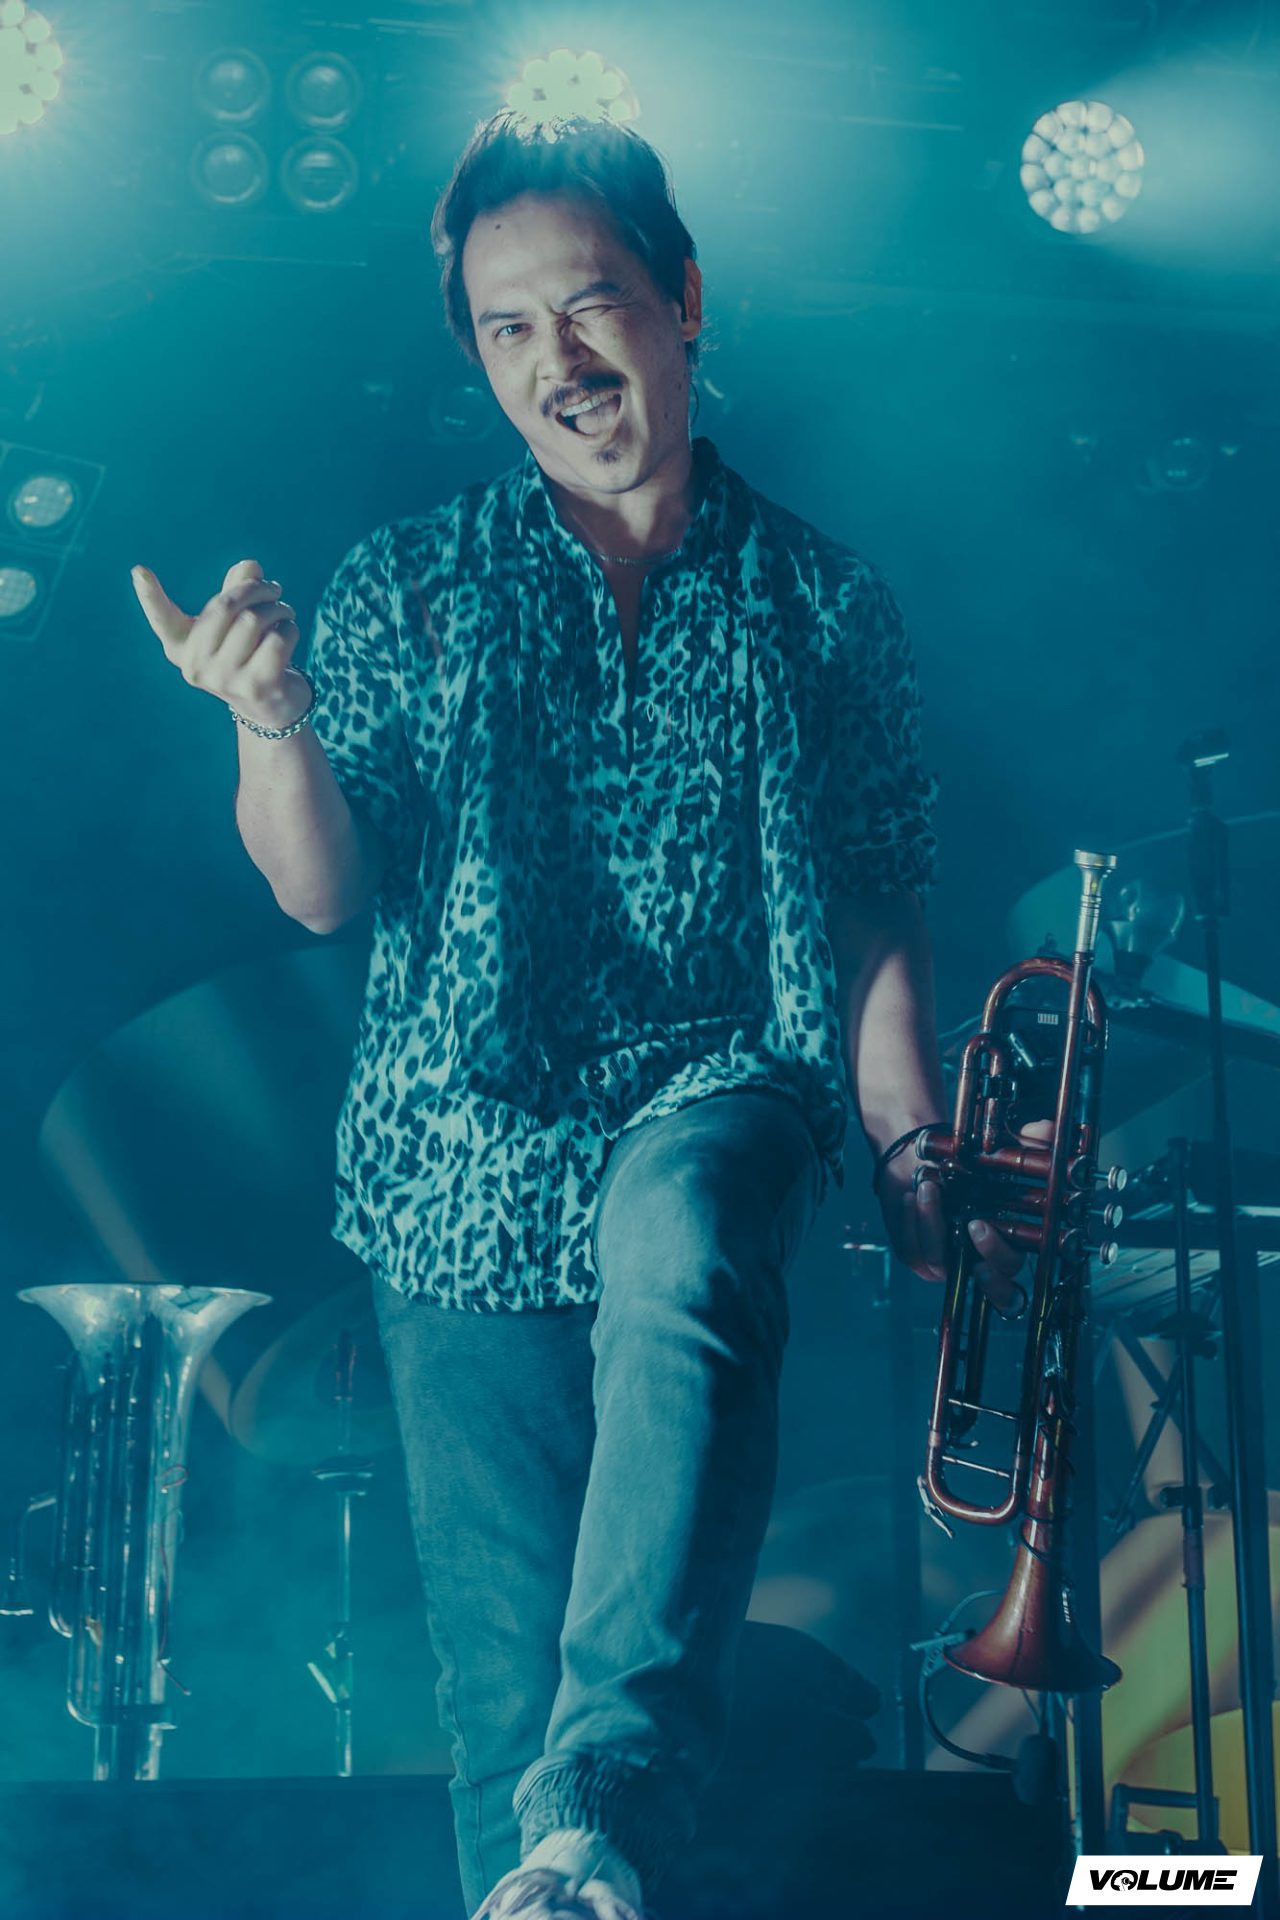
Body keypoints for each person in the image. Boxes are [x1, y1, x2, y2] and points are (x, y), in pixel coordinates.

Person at [132, 110, 1023, 1920]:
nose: (560, 357)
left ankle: (601, 1800)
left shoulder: (824, 601)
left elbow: (873, 895)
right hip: (453, 1158)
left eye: (594, 302)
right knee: (507, 1716)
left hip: (717, 1090)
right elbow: (322, 888)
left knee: (681, 1226)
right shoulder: (409, 582)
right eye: (509, 327)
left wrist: (909, 1142)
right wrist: (267, 720)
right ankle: (566, 1865)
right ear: (477, 357)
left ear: (684, 299)